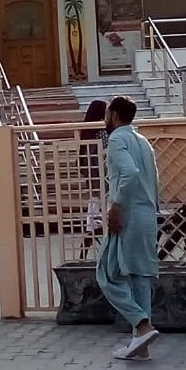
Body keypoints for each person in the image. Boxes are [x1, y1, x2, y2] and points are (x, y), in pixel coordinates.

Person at [96, 96, 160, 361]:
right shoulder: (143, 141)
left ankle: (142, 324)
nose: (105, 117)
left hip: (130, 214)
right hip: (147, 213)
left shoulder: (117, 139)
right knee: (139, 277)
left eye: (107, 112)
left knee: (106, 273)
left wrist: (117, 206)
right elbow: (152, 179)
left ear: (114, 115)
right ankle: (141, 344)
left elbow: (131, 174)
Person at [77, 99, 107, 257]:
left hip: (93, 178)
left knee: (93, 217)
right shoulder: (102, 131)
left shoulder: (86, 132)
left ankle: (84, 252)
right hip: (104, 178)